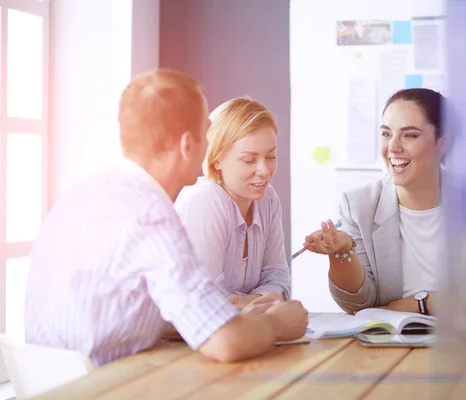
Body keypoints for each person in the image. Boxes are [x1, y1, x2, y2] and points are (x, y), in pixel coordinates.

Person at [24, 69, 308, 367]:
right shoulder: (150, 215)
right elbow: (223, 341)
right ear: (188, 145)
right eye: (205, 136)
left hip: (48, 385)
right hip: (101, 387)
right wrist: (277, 324)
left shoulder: (83, 193)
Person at [303, 88, 466, 315]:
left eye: (410, 135)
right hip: (388, 346)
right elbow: (357, 306)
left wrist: (417, 303)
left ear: (442, 143)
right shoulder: (359, 206)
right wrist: (343, 252)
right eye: (386, 134)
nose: (393, 147)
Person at [175, 97, 290, 308]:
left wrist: (247, 303)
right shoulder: (204, 202)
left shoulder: (268, 199)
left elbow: (279, 278)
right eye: (249, 159)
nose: (264, 170)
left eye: (271, 156)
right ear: (216, 158)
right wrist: (260, 304)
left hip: (240, 329)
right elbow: (206, 304)